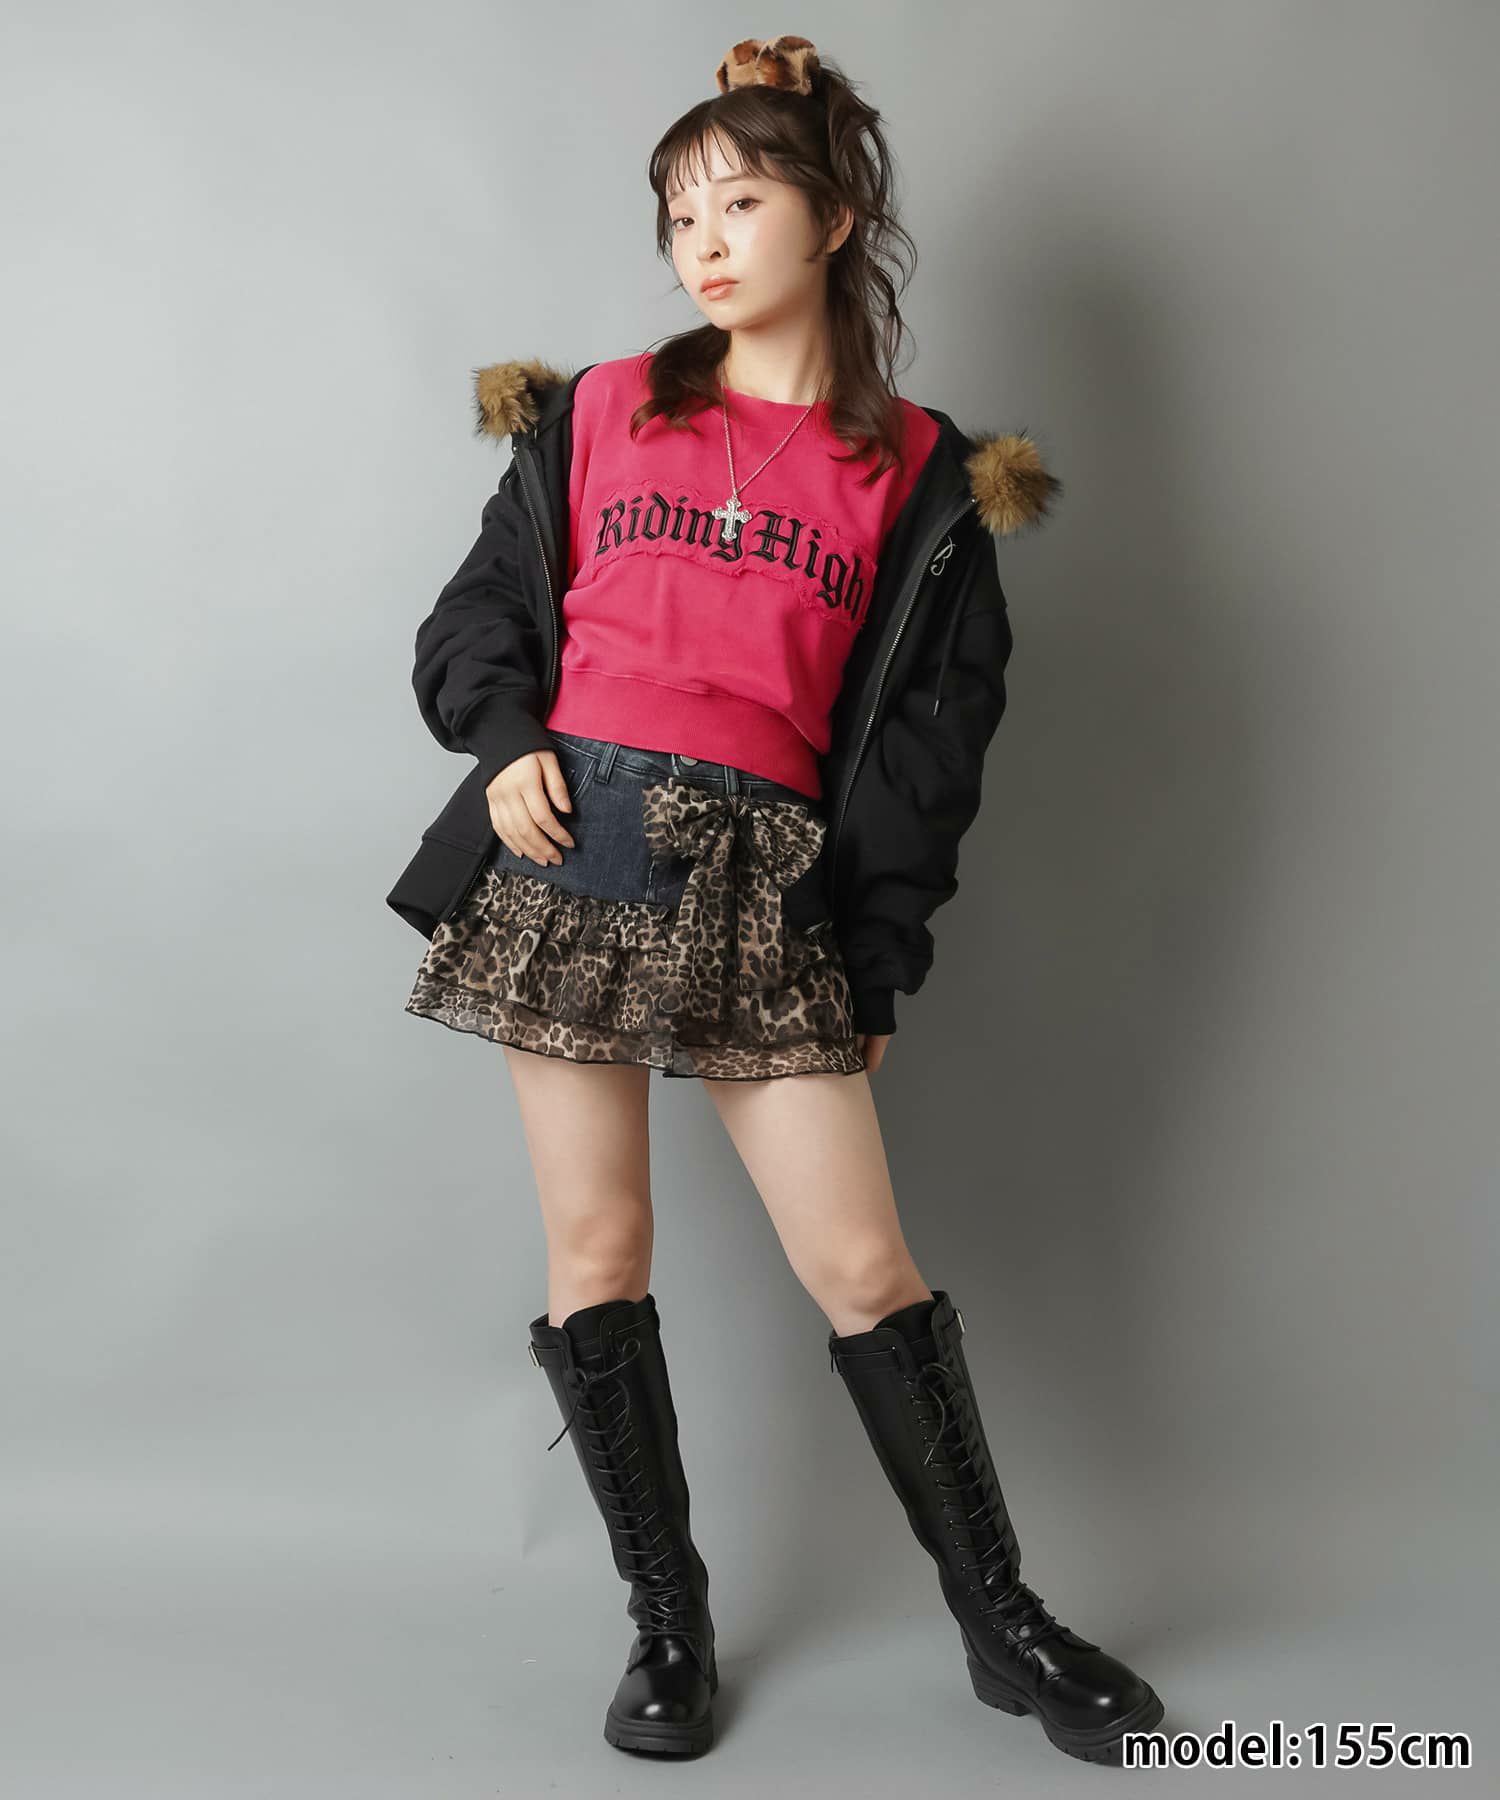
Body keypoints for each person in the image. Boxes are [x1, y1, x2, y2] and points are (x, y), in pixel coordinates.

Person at [386, 32, 1163, 1765]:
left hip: (766, 875)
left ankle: (1004, 1624)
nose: (705, 243)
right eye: (679, 216)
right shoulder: (601, 408)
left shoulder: (926, 474)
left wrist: (872, 960)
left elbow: (930, 757)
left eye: (738, 202)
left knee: (864, 1262)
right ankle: (667, 1625)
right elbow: (477, 616)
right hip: (574, 844)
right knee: (600, 1249)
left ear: (835, 214)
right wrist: (506, 740)